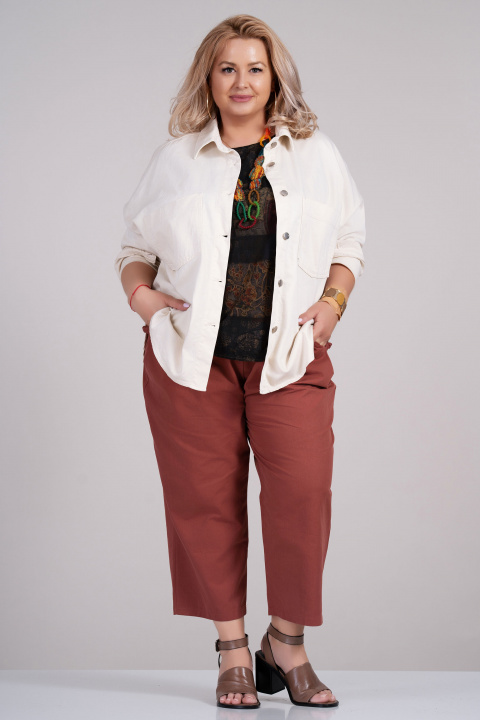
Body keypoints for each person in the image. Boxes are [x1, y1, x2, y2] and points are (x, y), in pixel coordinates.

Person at [114, 13, 365, 710]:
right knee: (204, 503)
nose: (242, 81)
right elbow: (133, 247)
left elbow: (349, 239)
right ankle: (231, 651)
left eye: (256, 68)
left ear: (275, 78)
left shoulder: (317, 155)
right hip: (192, 361)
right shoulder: (176, 160)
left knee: (303, 494)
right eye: (228, 68)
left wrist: (333, 303)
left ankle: (286, 641)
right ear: (210, 78)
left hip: (289, 356)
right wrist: (143, 299)